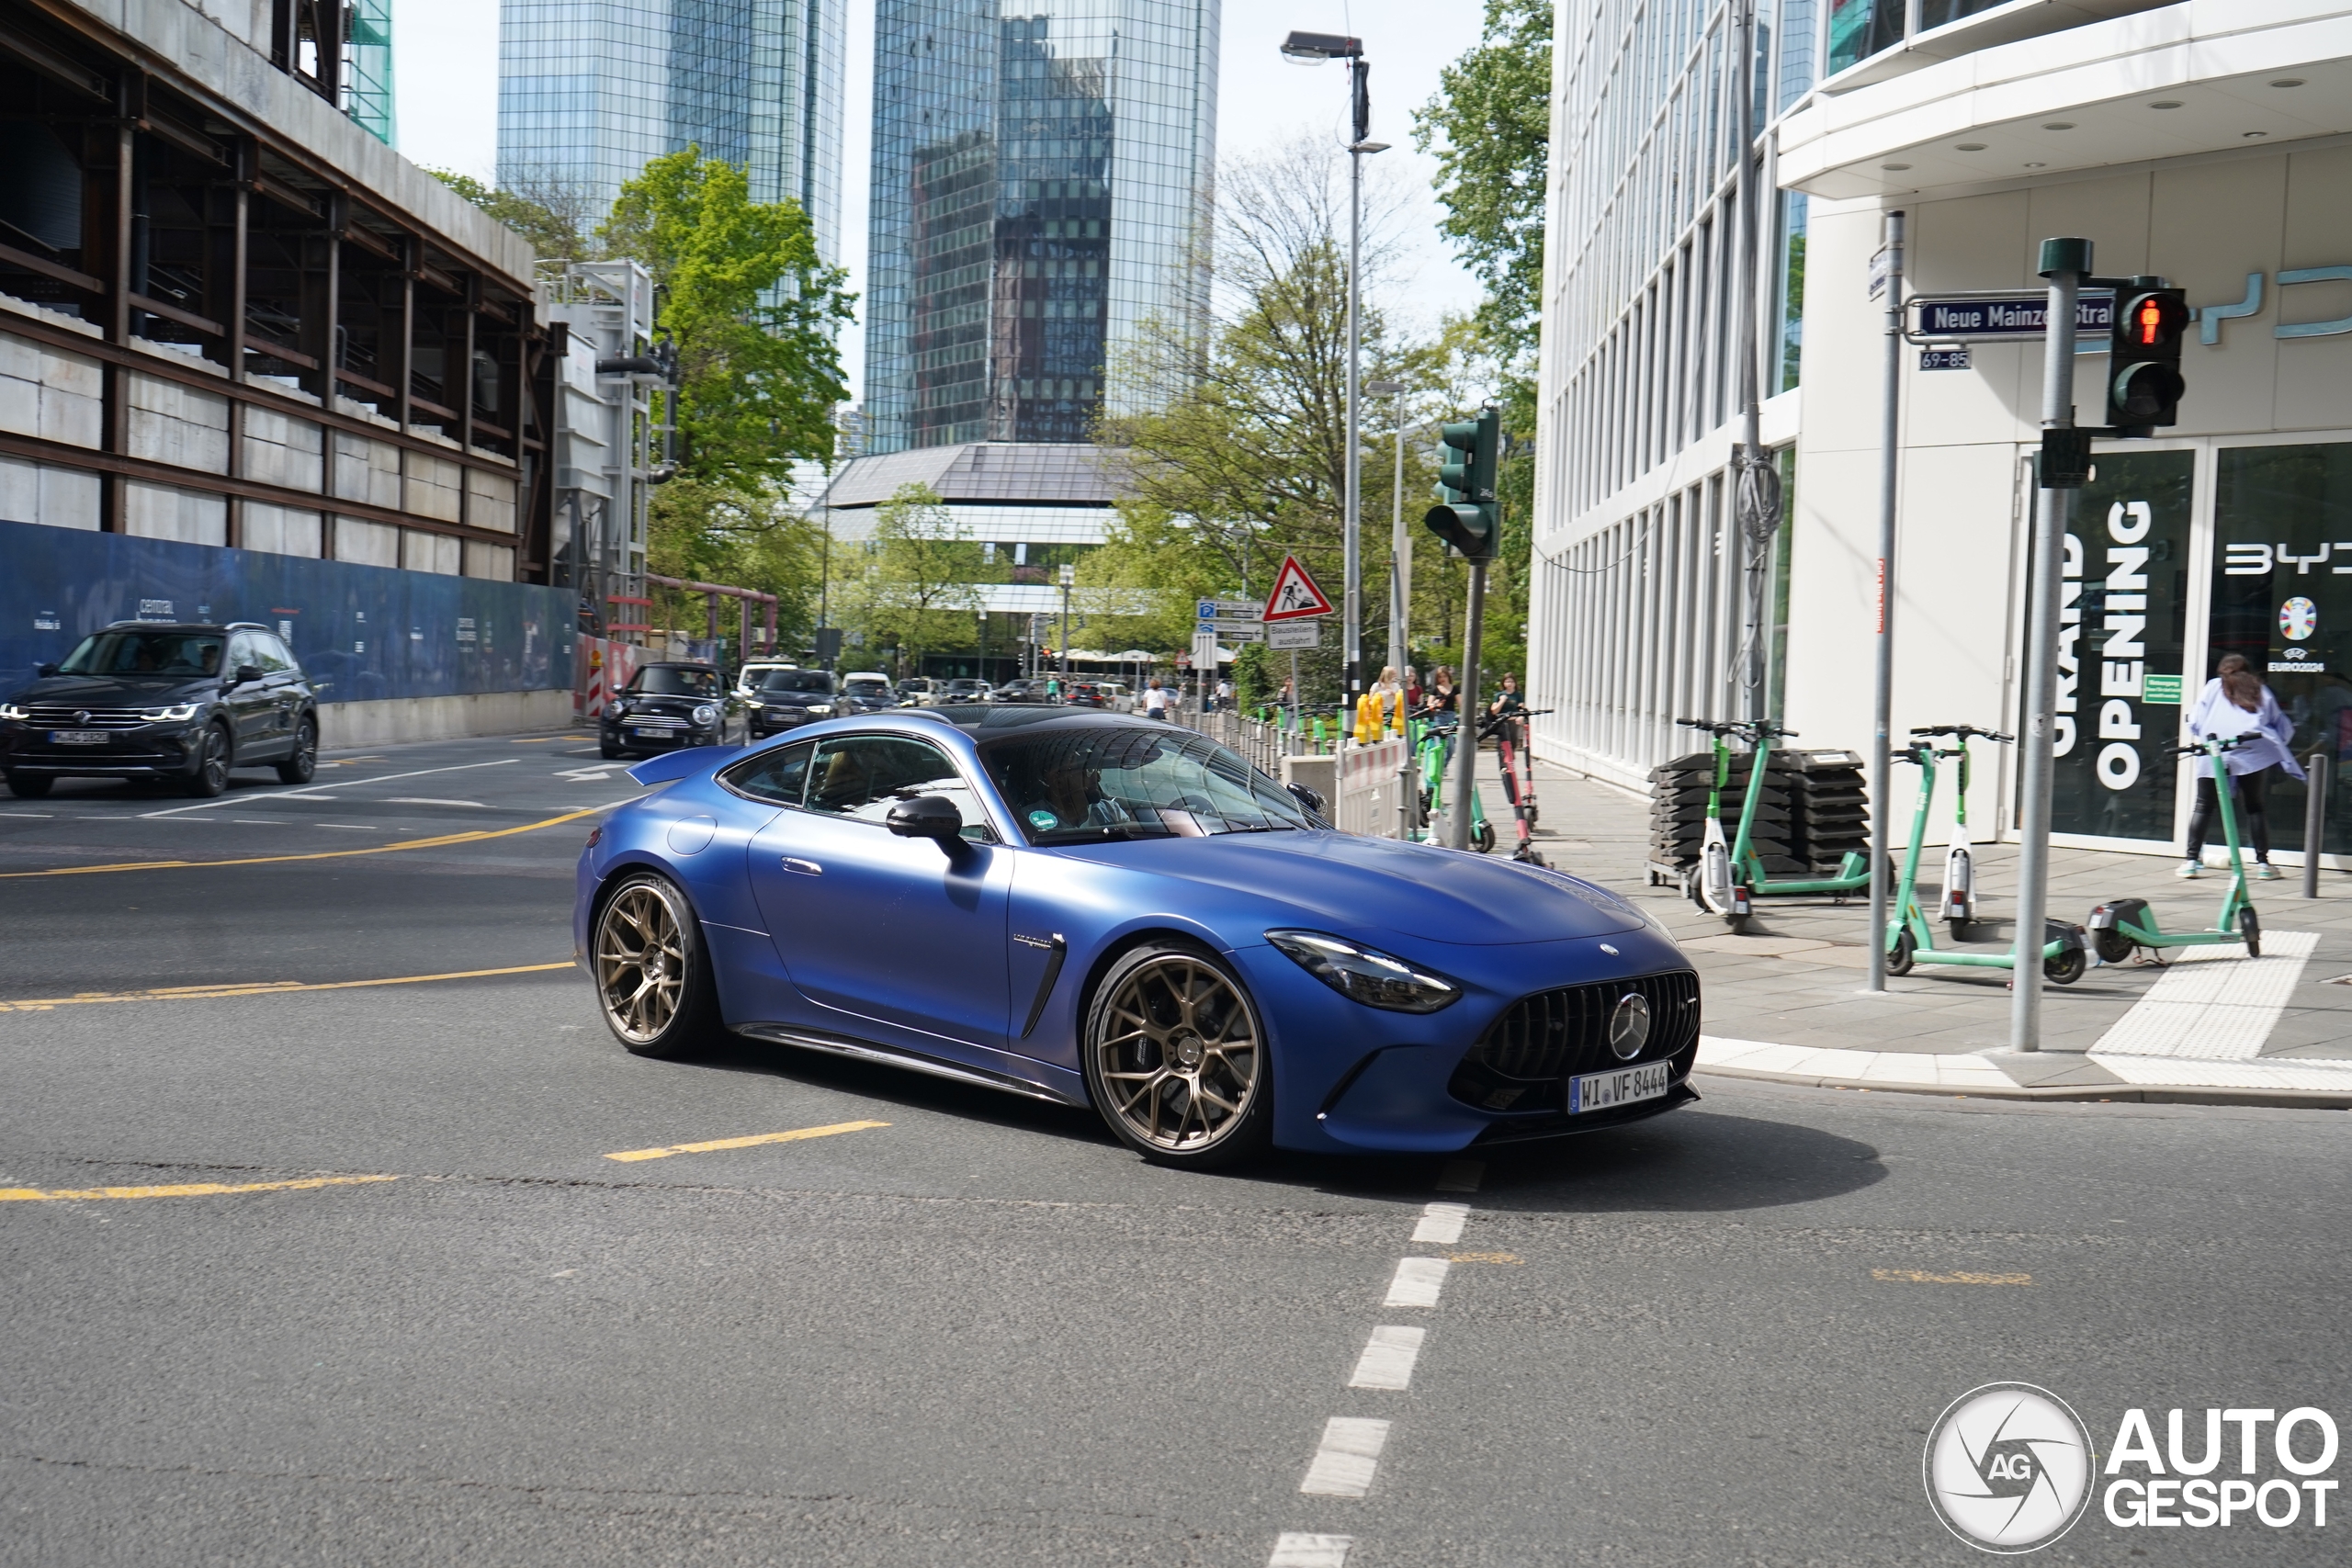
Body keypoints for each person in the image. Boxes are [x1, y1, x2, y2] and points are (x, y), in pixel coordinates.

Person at [2180, 652, 2302, 879]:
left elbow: (2195, 721)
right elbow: (2280, 724)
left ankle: (2191, 861)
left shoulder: (2213, 687)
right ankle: (2264, 865)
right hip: (2250, 752)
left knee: (2203, 805)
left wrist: (2202, 733)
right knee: (2254, 806)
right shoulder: (2258, 689)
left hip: (2214, 749)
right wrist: (2277, 745)